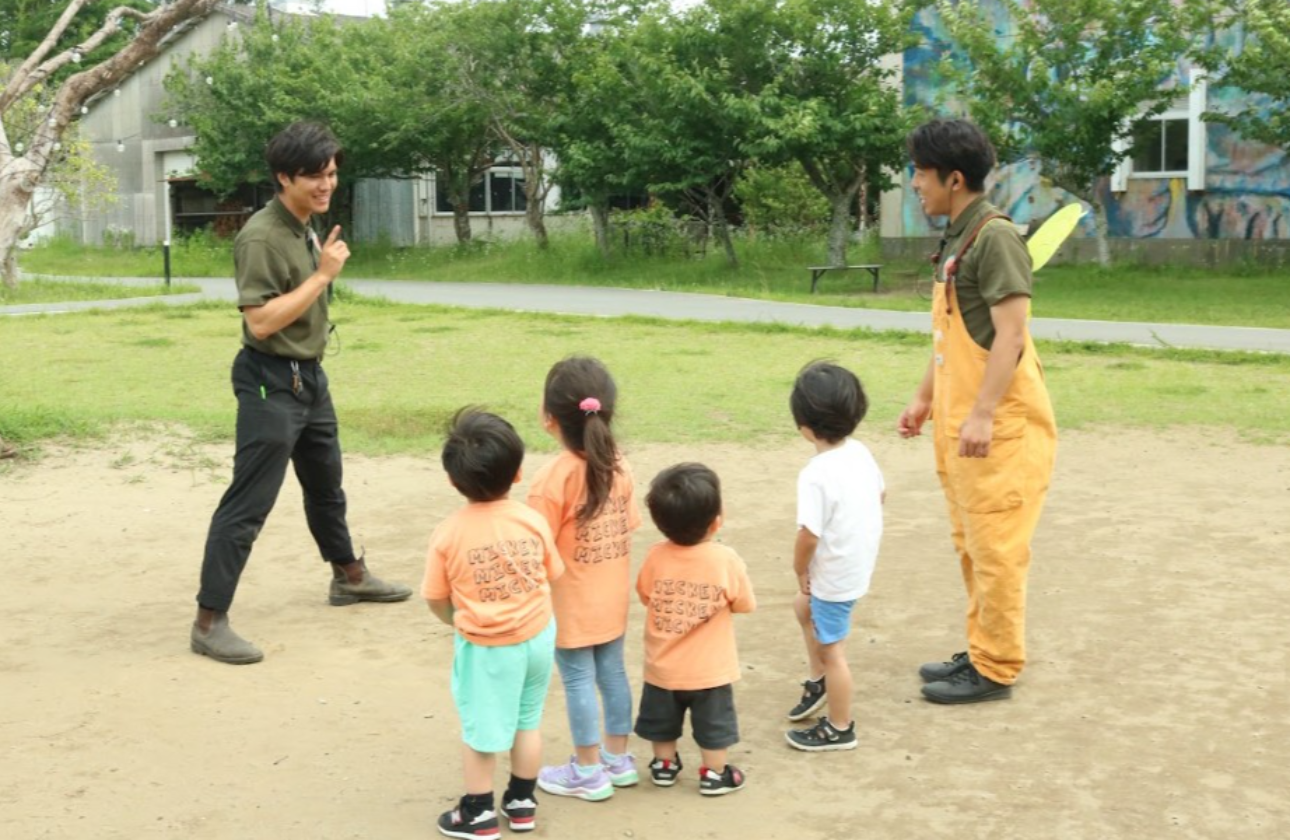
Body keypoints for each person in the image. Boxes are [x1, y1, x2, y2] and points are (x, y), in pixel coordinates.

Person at [190, 121, 410, 665]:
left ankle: (349, 576)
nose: (326, 184)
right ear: (284, 177)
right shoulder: (262, 236)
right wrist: (322, 276)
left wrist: (320, 271)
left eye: (331, 173)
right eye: (314, 175)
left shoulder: (304, 225)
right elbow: (261, 321)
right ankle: (209, 622)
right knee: (248, 504)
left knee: (326, 486)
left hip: (309, 377)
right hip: (271, 381)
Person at [897, 118, 1058, 704]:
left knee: (997, 551)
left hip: (997, 431)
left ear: (954, 178)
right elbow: (952, 333)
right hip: (961, 426)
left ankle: (996, 667)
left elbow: (1011, 336)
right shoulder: (959, 237)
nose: (915, 183)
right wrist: (925, 397)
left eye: (921, 172)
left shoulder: (995, 238)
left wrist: (985, 412)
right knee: (972, 544)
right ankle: (982, 643)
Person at [423, 409, 565, 839]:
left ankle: (479, 811)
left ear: (453, 481)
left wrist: (456, 621)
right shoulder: (531, 519)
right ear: (518, 473)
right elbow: (553, 573)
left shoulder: (448, 533)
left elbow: (435, 597)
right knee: (526, 720)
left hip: (488, 648)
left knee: (481, 731)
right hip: (538, 637)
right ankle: (522, 802)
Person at [529, 357, 642, 801]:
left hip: (571, 606)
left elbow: (535, 549)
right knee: (613, 673)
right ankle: (618, 758)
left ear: (550, 417)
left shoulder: (551, 479)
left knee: (578, 680)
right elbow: (629, 525)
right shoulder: (620, 465)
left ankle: (588, 770)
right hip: (612, 599)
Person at [634, 463, 755, 796]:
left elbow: (645, 594)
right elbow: (744, 603)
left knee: (662, 722)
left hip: (662, 667)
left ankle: (664, 765)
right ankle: (715, 773)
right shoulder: (725, 559)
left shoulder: (656, 556)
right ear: (717, 520)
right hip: (709, 671)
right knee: (713, 725)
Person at [784, 361, 885, 751]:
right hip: (855, 562)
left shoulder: (816, 474)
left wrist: (799, 568)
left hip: (834, 574)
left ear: (804, 426)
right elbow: (880, 494)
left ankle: (840, 727)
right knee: (802, 607)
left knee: (833, 650)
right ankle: (820, 680)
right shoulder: (859, 451)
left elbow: (808, 535)